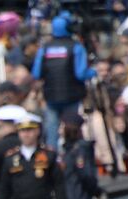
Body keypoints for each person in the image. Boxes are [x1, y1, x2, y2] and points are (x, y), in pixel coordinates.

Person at [32, 15, 92, 149]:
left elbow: (36, 73)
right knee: (73, 130)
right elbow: (81, 74)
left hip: (51, 97)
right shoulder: (76, 47)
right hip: (72, 98)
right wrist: (93, 72)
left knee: (52, 132)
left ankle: (52, 159)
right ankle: (73, 156)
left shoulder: (45, 48)